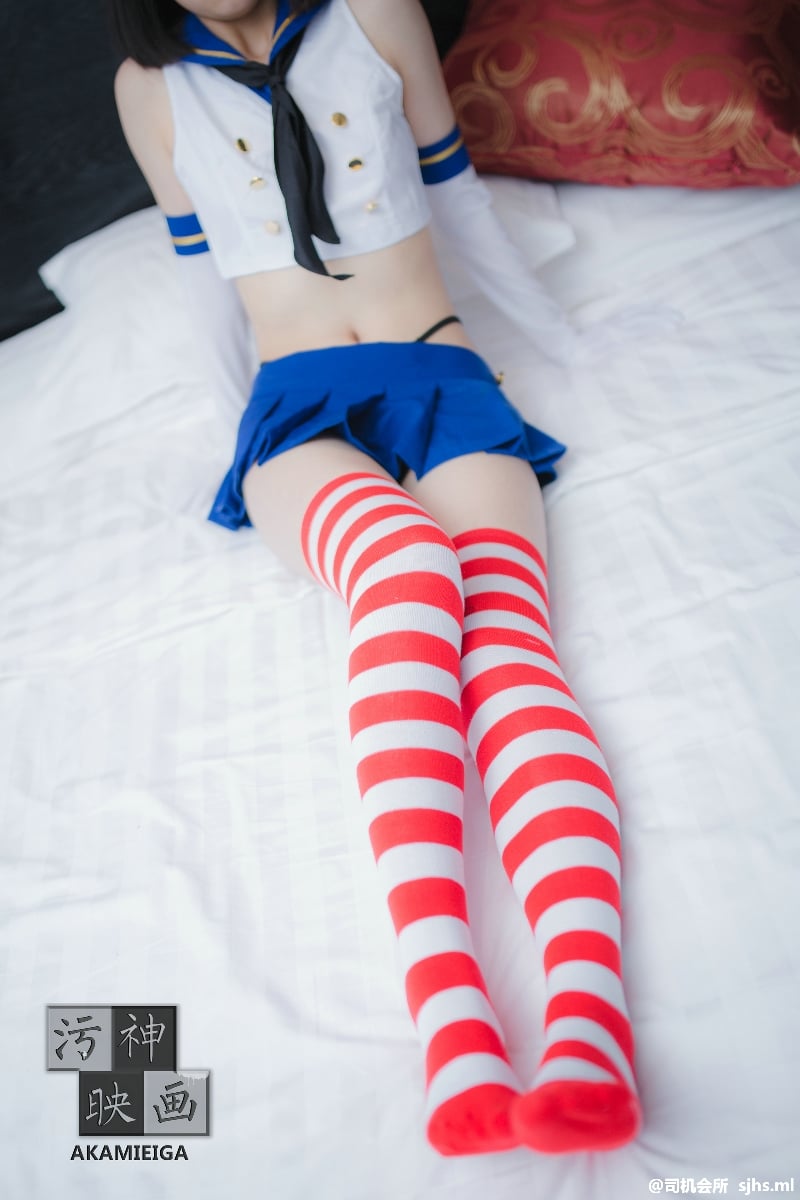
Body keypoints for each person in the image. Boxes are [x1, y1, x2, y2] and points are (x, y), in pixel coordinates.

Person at [111, 0, 645, 1157]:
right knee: (404, 566)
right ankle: (454, 1030)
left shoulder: (371, 10)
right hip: (295, 410)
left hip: (439, 374)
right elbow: (204, 280)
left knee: (505, 641)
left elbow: (457, 197)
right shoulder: (147, 88)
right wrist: (230, 436)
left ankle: (587, 1033)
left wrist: (558, 345)